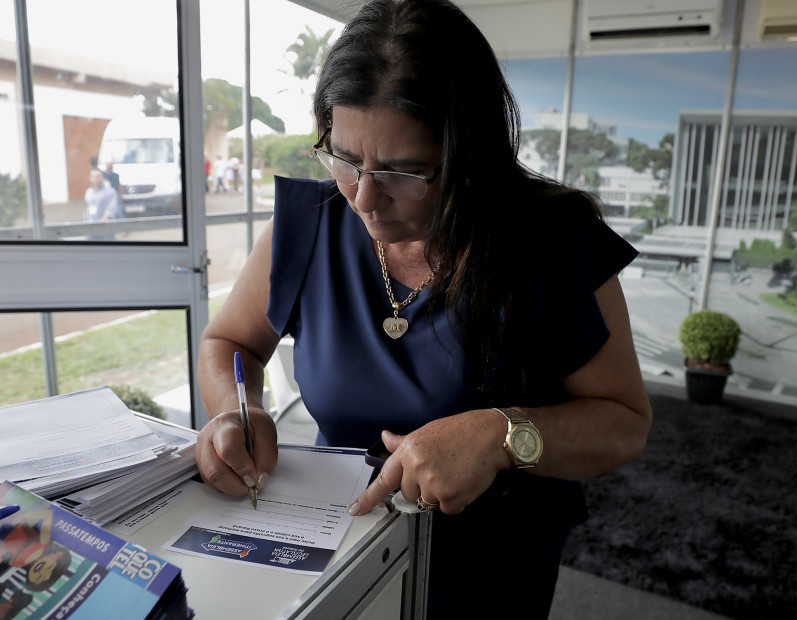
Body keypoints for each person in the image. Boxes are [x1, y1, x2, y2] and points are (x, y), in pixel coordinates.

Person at [194, 1, 652, 617]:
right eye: (346, 158)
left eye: (403, 173)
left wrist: (502, 436)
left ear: (471, 156)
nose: (363, 198)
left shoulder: (551, 239)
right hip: (338, 548)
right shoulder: (310, 223)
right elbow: (229, 345)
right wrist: (236, 410)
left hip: (490, 564)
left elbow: (624, 422)